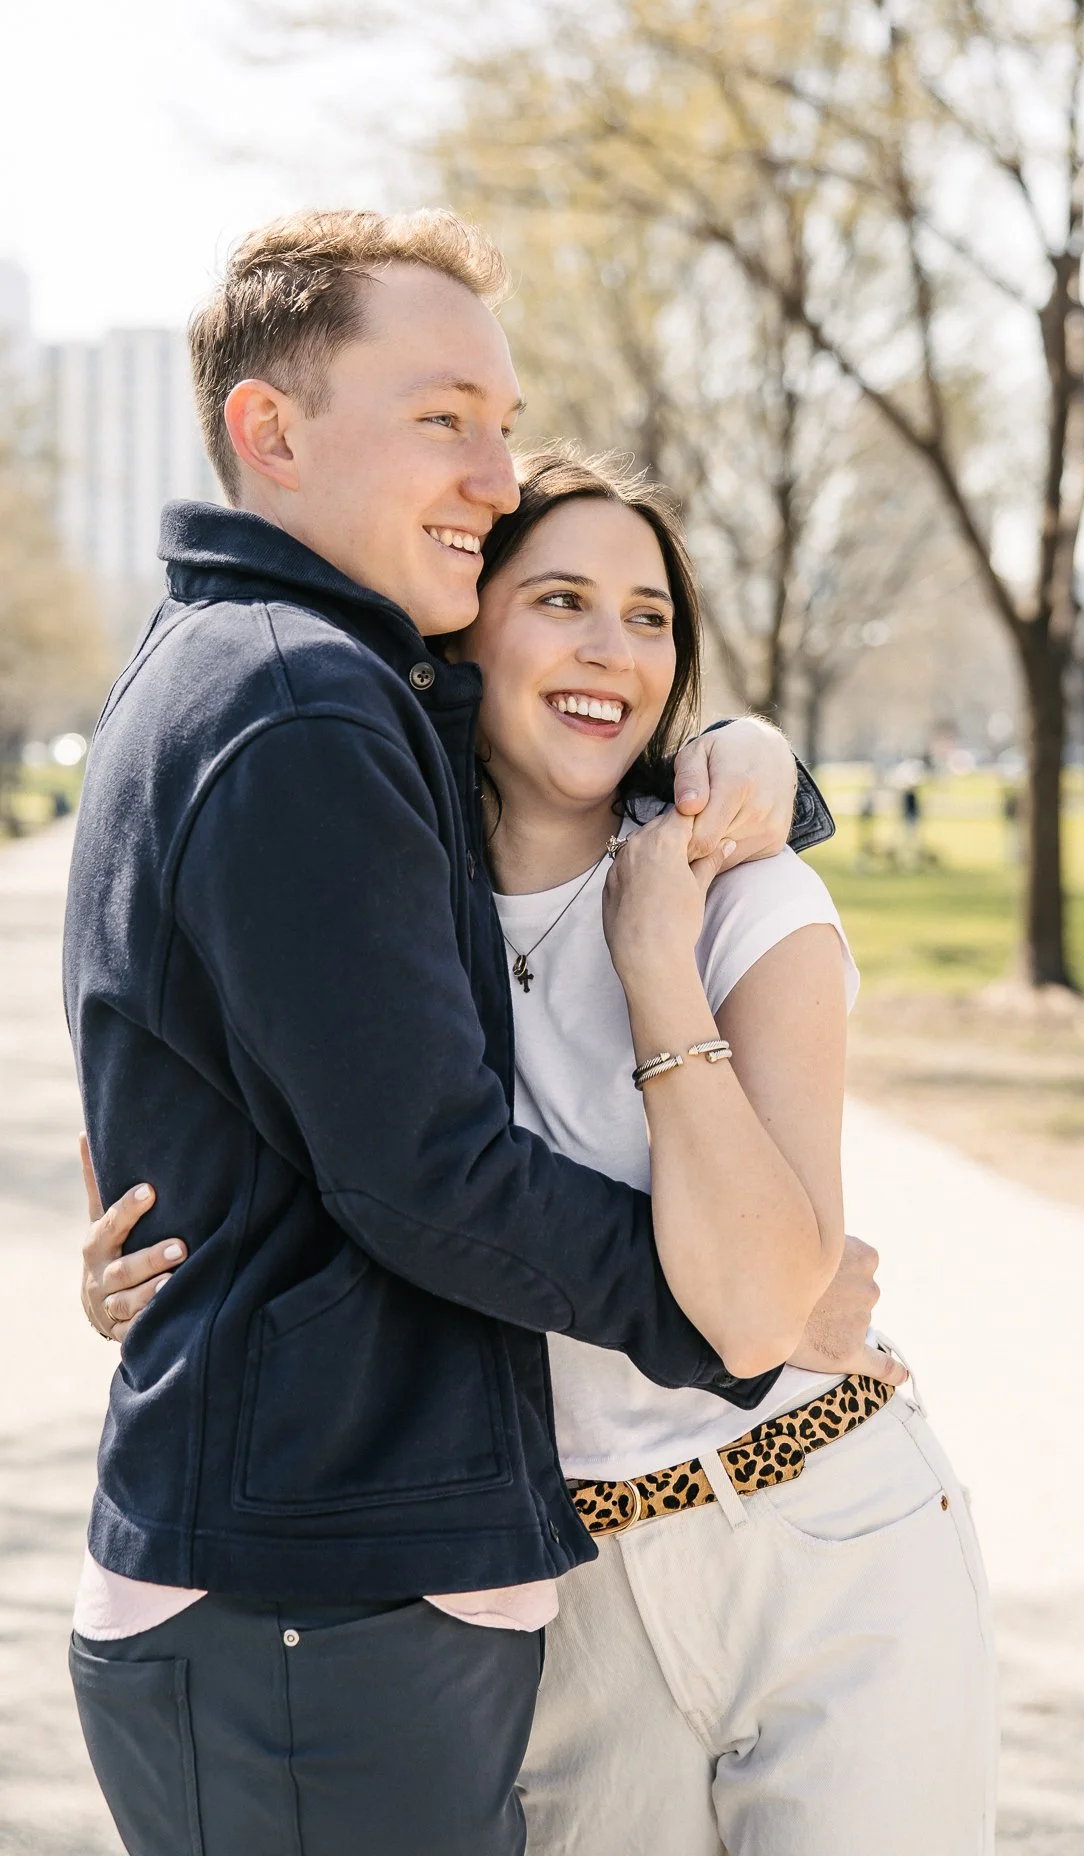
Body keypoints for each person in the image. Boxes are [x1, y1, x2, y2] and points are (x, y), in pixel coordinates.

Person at [85, 442, 998, 1852]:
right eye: (560, 598)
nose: (612, 649)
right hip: (565, 1589)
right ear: (468, 628)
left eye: (650, 616)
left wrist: (655, 957)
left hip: (829, 1540)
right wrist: (134, 1269)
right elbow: (244, 1149)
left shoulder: (754, 904)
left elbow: (765, 1283)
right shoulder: (385, 902)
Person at [63, 209, 829, 1856]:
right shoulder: (294, 701)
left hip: (314, 1583)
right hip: (307, 1604)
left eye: (501, 417)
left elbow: (558, 729)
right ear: (269, 431)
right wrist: (738, 1306)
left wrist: (760, 759)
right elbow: (423, 1170)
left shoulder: (272, 669)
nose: (495, 467)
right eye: (442, 419)